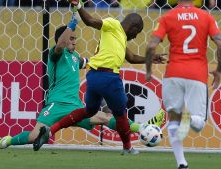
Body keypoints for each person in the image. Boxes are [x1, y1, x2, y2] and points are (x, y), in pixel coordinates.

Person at [0, 14, 165, 151]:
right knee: (33, 137)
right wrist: (73, 22)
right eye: (71, 38)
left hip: (75, 107)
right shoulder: (55, 54)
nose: (74, 41)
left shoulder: (75, 58)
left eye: (75, 38)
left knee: (104, 117)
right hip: (56, 105)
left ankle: (144, 127)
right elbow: (61, 45)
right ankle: (5, 141)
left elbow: (97, 62)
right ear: (61, 39)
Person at [32, 0, 167, 154]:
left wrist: (150, 58)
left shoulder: (120, 38)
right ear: (134, 27)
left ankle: (50, 131)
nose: (135, 37)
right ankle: (128, 147)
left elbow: (131, 57)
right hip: (109, 77)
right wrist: (79, 6)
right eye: (137, 33)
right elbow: (90, 21)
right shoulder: (113, 24)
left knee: (88, 111)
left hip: (94, 76)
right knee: (121, 115)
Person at [145, 0, 221, 168]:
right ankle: (187, 119)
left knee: (173, 118)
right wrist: (219, 70)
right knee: (199, 125)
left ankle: (181, 163)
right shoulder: (206, 17)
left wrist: (148, 70)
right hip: (197, 74)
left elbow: (151, 46)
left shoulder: (167, 17)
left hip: (173, 73)